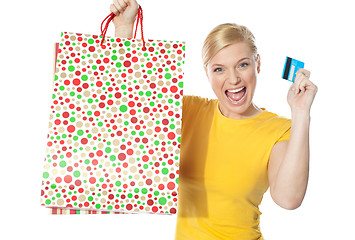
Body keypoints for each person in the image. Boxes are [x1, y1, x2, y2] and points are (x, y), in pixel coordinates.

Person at [109, 0, 318, 239]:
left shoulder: (278, 129)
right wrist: (124, 31)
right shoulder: (189, 110)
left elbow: (288, 199)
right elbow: (124, 109)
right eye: (219, 69)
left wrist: (301, 113)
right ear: (206, 73)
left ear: (257, 64)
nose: (234, 79)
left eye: (242, 65)